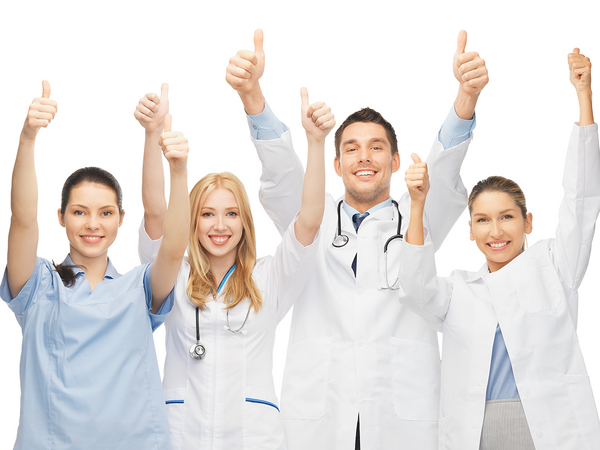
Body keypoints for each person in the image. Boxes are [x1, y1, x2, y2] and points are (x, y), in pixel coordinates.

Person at [226, 29, 488, 449]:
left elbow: (444, 166)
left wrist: (467, 96)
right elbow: (282, 172)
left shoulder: (418, 213)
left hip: (401, 413)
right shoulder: (312, 217)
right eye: (351, 149)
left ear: (395, 161)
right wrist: (251, 95)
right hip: (322, 410)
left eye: (376, 148)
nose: (364, 157)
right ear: (335, 164)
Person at [399, 49, 600, 449]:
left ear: (528, 223)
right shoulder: (458, 290)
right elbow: (413, 287)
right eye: (483, 220)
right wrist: (418, 204)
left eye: (507, 217)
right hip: (475, 430)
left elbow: (581, 200)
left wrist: (584, 98)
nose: (496, 231)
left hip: (548, 425)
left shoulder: (555, 267)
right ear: (470, 231)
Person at [134, 83, 333, 449]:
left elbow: (309, 221)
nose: (220, 225)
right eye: (207, 214)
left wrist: (317, 143)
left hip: (251, 435)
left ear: (245, 223)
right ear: (193, 221)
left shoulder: (270, 278)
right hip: (183, 433)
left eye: (231, 214)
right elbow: (155, 214)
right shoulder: (172, 274)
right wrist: (151, 136)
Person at [1, 82, 190, 449]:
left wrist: (179, 171)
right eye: (79, 212)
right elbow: (22, 220)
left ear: (120, 218)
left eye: (105, 213)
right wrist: (27, 138)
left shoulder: (140, 288)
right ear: (61, 217)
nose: (92, 224)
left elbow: (173, 247)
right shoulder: (38, 286)